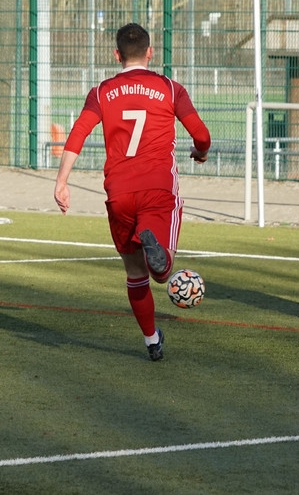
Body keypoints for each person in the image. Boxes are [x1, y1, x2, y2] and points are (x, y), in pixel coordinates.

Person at [54, 23, 211, 361]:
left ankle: (152, 340)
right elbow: (201, 135)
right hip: (157, 187)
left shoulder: (101, 92)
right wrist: (200, 152)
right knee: (161, 272)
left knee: (135, 273)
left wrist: (61, 181)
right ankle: (161, 262)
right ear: (150, 52)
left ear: (117, 55)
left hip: (119, 193)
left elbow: (79, 132)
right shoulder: (169, 88)